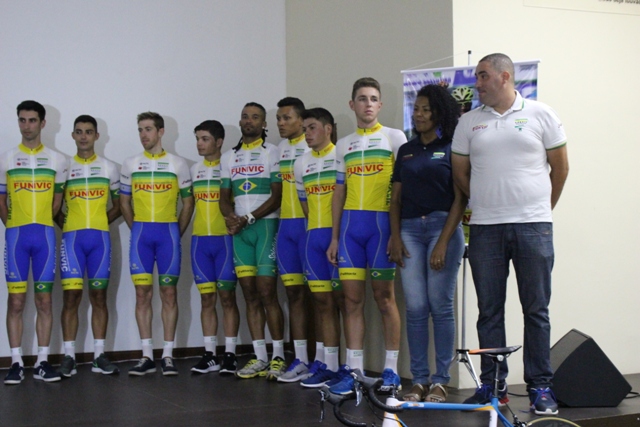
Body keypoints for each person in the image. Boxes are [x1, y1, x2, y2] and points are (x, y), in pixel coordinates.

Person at [451, 53, 569, 416]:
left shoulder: (541, 114)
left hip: (534, 225)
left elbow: (561, 168)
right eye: (476, 77)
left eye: (483, 76)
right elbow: (460, 174)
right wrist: (487, 201)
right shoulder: (469, 122)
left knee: (536, 309)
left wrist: (540, 208)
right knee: (489, 311)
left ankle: (540, 387)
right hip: (485, 228)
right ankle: (493, 386)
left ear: (505, 77)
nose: (477, 84)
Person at [326, 78, 407, 394]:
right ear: (352, 104)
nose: (368, 104)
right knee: (351, 300)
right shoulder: (343, 145)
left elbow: (401, 190)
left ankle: (391, 370)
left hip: (381, 228)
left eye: (373, 99)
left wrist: (396, 233)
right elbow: (338, 193)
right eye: (362, 98)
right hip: (350, 230)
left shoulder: (394, 137)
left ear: (380, 105)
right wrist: (335, 237)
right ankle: (354, 370)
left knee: (385, 298)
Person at [388, 85, 466, 402]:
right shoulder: (406, 150)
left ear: (439, 113)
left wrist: (443, 242)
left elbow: (461, 198)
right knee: (416, 308)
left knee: (440, 307)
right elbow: (395, 200)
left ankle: (440, 381)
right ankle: (419, 380)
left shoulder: (452, 147)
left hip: (442, 228)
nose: (419, 115)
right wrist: (395, 237)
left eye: (426, 110)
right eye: (416, 109)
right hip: (408, 231)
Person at [120, 112, 194, 376]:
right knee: (142, 294)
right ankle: (146, 355)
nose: (144, 135)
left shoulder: (177, 164)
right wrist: (137, 228)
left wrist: (175, 231)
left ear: (161, 132)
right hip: (141, 235)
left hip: (168, 235)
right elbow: (124, 202)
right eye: (140, 129)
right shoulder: (130, 163)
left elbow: (188, 203)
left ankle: (168, 355)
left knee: (169, 293)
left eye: (148, 129)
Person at [0, 100, 67, 384]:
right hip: (17, 236)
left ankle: (42, 361)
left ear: (43, 123)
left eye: (32, 120)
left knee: (44, 300)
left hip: (44, 237)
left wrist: (40, 224)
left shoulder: (57, 160)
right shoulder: (6, 158)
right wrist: (13, 226)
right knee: (16, 302)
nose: (26, 125)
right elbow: (1, 200)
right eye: (22, 120)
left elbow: (57, 202)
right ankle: (16, 362)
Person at [219, 102, 286, 380]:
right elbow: (223, 197)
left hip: (265, 226)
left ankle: (278, 355)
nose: (249, 121)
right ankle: (260, 356)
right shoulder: (228, 157)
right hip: (240, 232)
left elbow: (277, 196)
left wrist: (247, 218)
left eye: (255, 117)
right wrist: (231, 218)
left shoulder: (273, 152)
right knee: (248, 293)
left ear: (264, 123)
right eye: (245, 116)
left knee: (267, 291)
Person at [56, 115, 121, 377]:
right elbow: (54, 206)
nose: (84, 136)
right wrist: (68, 224)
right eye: (79, 131)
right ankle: (69, 356)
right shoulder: (63, 167)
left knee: (99, 297)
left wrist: (98, 223)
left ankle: (99, 356)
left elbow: (119, 206)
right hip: (72, 240)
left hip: (100, 241)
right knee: (71, 297)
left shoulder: (109, 168)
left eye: (89, 132)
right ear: (73, 135)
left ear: (97, 136)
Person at [293, 108, 345, 388]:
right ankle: (329, 365)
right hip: (314, 236)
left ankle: (348, 367)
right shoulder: (300, 163)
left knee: (344, 302)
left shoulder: (341, 155)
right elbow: (305, 205)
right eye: (304, 129)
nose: (307, 134)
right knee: (322, 303)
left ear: (328, 128)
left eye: (312, 128)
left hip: (339, 236)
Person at [189, 120, 241, 375]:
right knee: (206, 298)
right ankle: (210, 354)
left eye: (205, 139)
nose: (199, 144)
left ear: (219, 142)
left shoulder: (230, 166)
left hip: (225, 240)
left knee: (227, 297)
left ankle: (230, 353)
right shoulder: (194, 169)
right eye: (197, 139)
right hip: (200, 241)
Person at [273, 97, 316, 383]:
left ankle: (323, 359)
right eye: (278, 118)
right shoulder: (279, 149)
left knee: (321, 297)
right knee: (293, 295)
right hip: (285, 226)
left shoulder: (312, 147)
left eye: (286, 118)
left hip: (309, 226)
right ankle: (300, 358)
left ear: (301, 121)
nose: (281, 123)